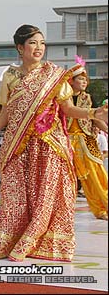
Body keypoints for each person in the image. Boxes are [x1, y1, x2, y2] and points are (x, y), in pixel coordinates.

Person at [0, 25, 109, 262]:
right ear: (20, 48)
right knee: (15, 196)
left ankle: (41, 243)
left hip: (49, 145)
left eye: (42, 43)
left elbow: (68, 109)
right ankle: (10, 240)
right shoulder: (11, 77)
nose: (39, 48)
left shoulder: (55, 75)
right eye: (33, 43)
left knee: (48, 196)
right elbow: (6, 112)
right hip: (18, 144)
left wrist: (94, 113)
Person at [67, 64, 108, 220]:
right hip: (66, 141)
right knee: (64, 177)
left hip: (86, 140)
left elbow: (96, 118)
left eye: (85, 80)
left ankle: (103, 208)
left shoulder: (88, 98)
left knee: (97, 174)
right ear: (72, 81)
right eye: (81, 79)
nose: (84, 82)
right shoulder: (63, 99)